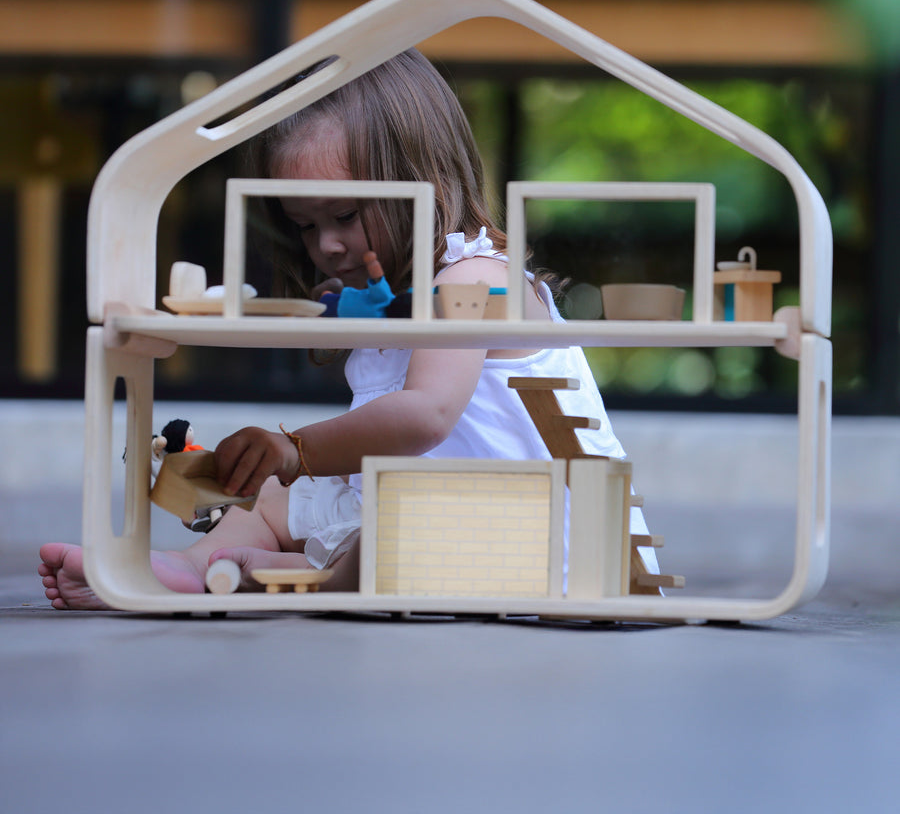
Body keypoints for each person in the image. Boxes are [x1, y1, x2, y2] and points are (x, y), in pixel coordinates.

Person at [39, 48, 654, 609]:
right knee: (273, 501)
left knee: (393, 520)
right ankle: (190, 567)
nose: (326, 244)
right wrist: (264, 474)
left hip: (551, 539)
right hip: (435, 513)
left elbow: (426, 416)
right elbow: (382, 453)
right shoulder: (392, 298)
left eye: (343, 214)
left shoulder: (476, 280)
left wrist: (294, 449)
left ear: (427, 180)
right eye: (304, 225)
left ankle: (302, 579)